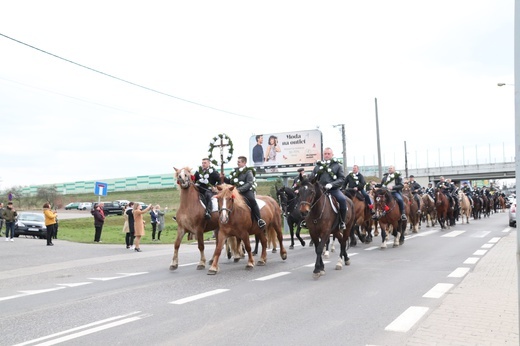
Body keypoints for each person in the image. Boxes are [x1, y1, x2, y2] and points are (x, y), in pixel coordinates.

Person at [309, 147, 348, 230]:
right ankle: (306, 221)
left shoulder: (337, 166)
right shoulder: (318, 166)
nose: (326, 155)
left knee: (342, 199)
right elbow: (312, 177)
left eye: (328, 154)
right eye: (325, 154)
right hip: (320, 191)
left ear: (332, 155)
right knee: (307, 200)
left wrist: (332, 184)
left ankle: (342, 222)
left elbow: (342, 179)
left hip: (333, 190)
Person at [223, 156, 266, 228]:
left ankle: (259, 219)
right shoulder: (234, 171)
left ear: (244, 163)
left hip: (246, 191)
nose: (238, 163)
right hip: (235, 192)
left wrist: (239, 190)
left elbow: (249, 183)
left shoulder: (248, 171)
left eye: (239, 162)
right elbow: (230, 181)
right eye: (237, 162)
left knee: (252, 200)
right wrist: (223, 178)